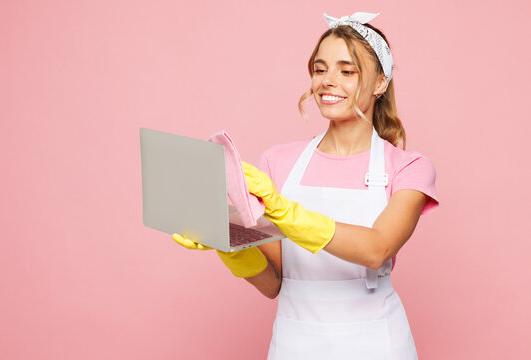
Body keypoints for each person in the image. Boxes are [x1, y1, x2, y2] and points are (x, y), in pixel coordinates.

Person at [173, 11, 439, 359]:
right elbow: (273, 284)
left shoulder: (408, 167)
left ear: (380, 83)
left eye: (347, 71)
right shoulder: (278, 163)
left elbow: (377, 249)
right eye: (320, 68)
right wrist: (228, 241)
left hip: (376, 343)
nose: (328, 80)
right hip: (295, 344)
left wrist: (284, 211)